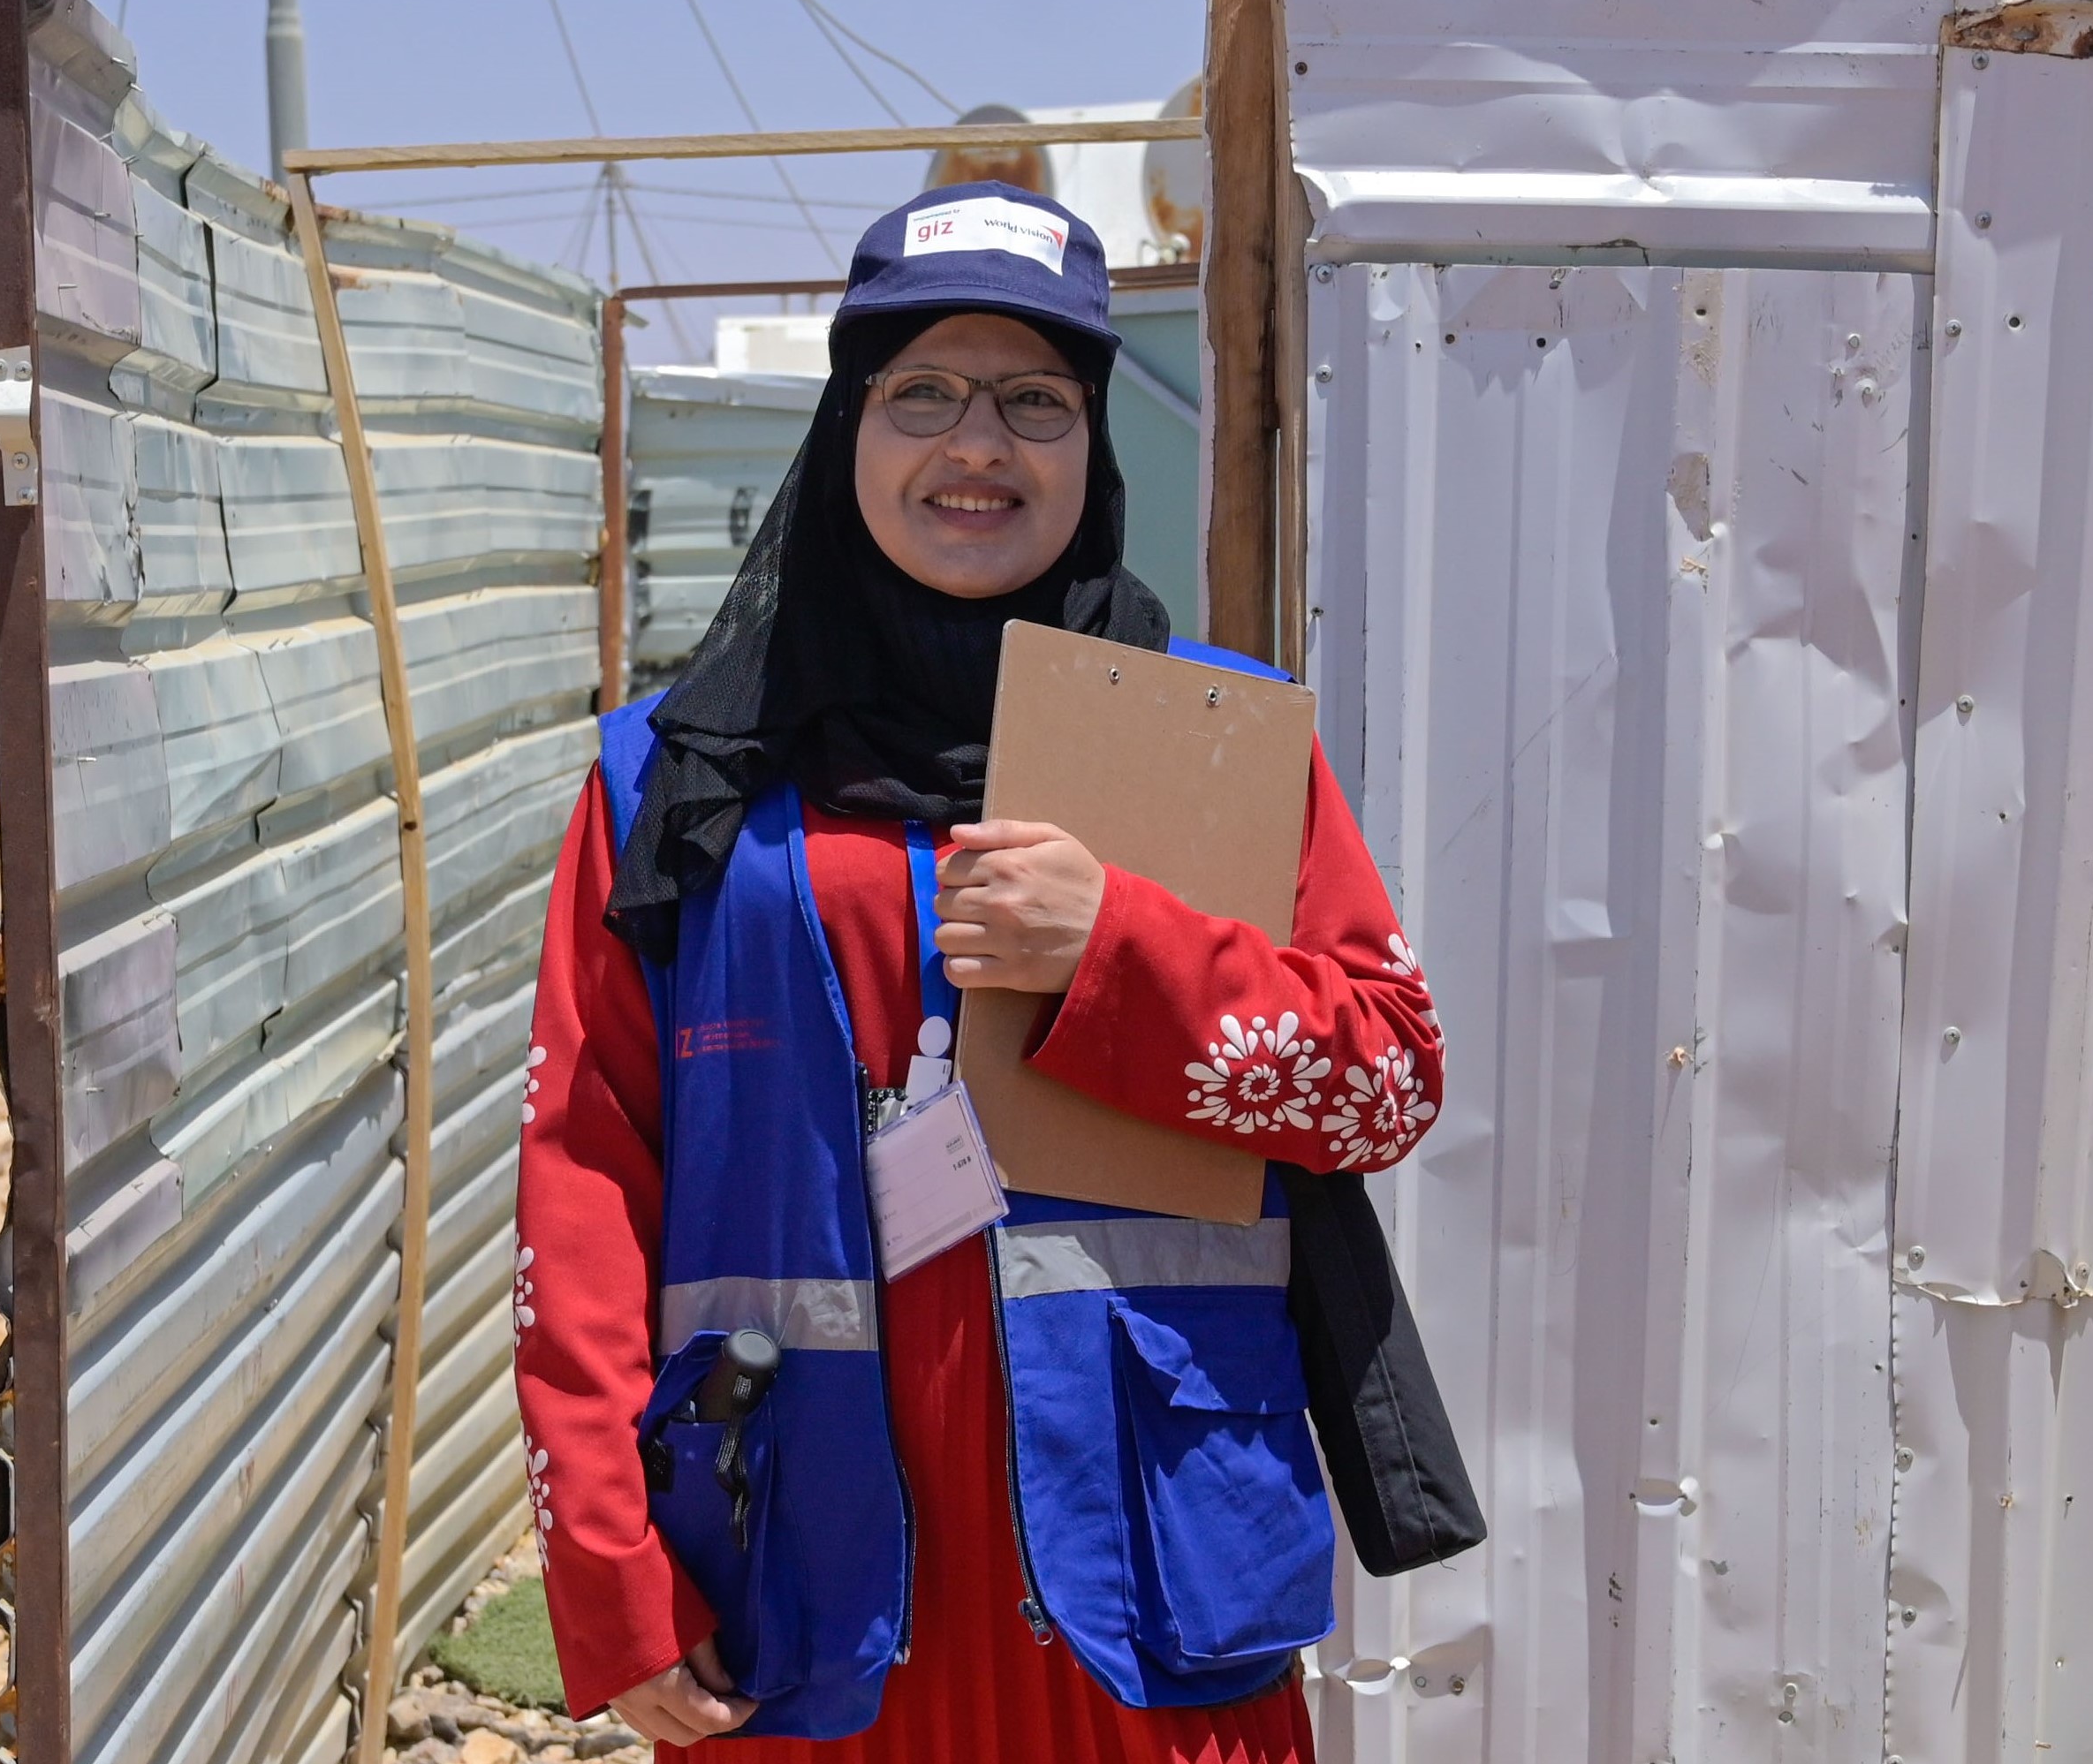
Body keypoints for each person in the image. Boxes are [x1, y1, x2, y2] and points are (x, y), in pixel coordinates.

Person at [514, 181, 1444, 1761]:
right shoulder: (675, 784)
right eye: (921, 394)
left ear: (1090, 447)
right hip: (797, 1603)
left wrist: (1122, 954)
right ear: (845, 430)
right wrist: (611, 1570)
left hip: (1144, 1592)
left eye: (1033, 400)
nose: (976, 446)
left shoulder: (1213, 745)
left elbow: (1382, 1083)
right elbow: (587, 1180)